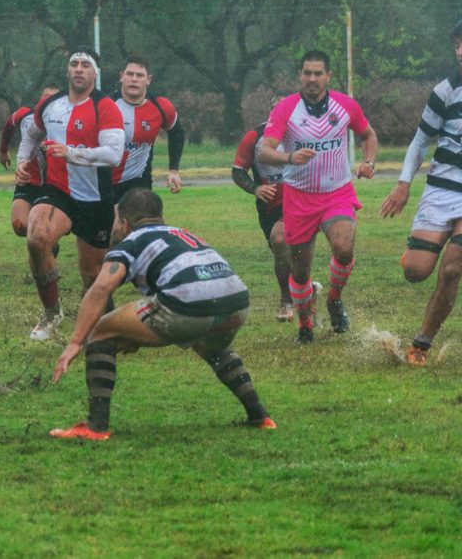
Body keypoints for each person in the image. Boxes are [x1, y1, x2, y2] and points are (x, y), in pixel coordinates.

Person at [49, 188, 275, 440]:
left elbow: (100, 288)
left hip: (189, 301)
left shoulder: (130, 242)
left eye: (116, 222)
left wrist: (75, 342)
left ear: (125, 223)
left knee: (100, 329)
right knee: (211, 345)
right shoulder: (182, 233)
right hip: (236, 303)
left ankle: (95, 427)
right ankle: (260, 416)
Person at [256, 50, 378, 343]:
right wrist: (290, 157)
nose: (312, 79)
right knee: (300, 271)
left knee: (344, 247)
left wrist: (369, 162)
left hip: (337, 193)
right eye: (307, 73)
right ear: (299, 75)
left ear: (328, 76)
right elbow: (264, 151)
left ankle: (334, 299)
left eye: (318, 73)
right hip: (299, 198)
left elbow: (368, 135)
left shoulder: (345, 105)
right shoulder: (286, 108)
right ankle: (305, 324)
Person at [15, 46, 126, 341]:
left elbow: (113, 155)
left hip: (95, 198)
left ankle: (98, 326)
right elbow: (30, 135)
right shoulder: (51, 105)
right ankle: (52, 313)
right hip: (57, 190)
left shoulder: (105, 107)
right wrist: (22, 163)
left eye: (85, 65)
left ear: (95, 73)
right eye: (74, 64)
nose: (78, 69)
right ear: (67, 69)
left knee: (92, 275)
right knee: (37, 237)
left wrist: (71, 153)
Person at [379, 18, 462, 366]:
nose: (460, 51)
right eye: (457, 44)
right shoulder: (445, 91)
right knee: (416, 271)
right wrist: (403, 184)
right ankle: (414, 254)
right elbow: (420, 141)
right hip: (441, 189)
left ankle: (420, 346)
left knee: (453, 268)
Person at [232, 105, 294, 321]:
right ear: (270, 112)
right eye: (278, 109)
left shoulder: (306, 133)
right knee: (284, 254)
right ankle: (306, 290)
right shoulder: (254, 137)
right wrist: (256, 188)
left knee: (280, 239)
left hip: (299, 202)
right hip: (270, 206)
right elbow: (237, 171)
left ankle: (286, 301)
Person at [109, 55, 185, 202]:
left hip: (139, 183)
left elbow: (177, 133)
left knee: (140, 215)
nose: (134, 79)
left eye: (139, 75)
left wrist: (174, 170)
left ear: (148, 79)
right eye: (130, 74)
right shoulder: (105, 105)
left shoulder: (161, 107)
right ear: (121, 76)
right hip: (105, 183)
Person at [0, 84, 59, 240]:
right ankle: (44, 240)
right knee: (20, 226)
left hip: (52, 184)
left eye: (53, 98)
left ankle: (47, 241)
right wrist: (3, 150)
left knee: (40, 230)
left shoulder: (63, 120)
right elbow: (8, 126)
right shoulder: (24, 115)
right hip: (28, 180)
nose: (48, 101)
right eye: (45, 96)